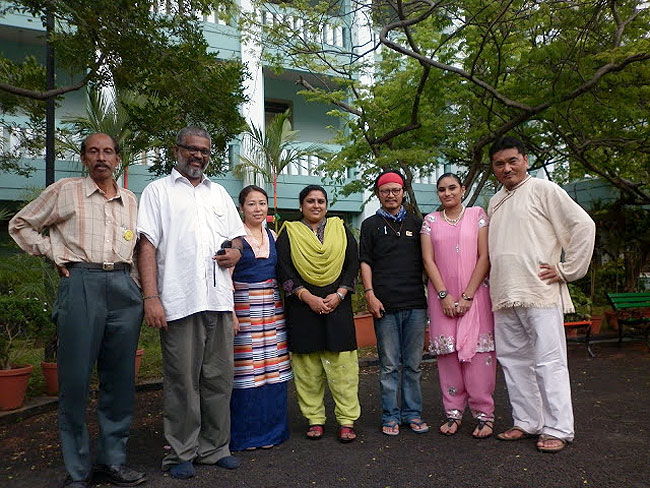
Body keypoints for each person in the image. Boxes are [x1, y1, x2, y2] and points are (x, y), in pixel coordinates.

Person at [9, 133, 146, 488]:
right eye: (93, 152)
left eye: (108, 152)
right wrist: (52, 252)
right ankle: (77, 471)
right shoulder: (65, 191)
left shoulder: (131, 200)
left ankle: (112, 463)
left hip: (122, 287)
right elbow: (20, 224)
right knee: (75, 381)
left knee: (119, 382)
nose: (101, 157)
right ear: (84, 158)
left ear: (118, 158)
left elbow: (134, 247)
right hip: (81, 282)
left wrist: (135, 286)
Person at [136, 126, 245, 479]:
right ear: (176, 150)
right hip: (179, 301)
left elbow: (237, 240)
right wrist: (151, 297)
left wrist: (235, 253)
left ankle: (214, 448)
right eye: (191, 149)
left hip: (218, 298)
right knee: (183, 380)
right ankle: (180, 452)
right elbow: (147, 246)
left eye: (204, 151)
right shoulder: (157, 191)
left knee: (218, 379)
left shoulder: (220, 194)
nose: (198, 156)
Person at [488, 135, 595, 453]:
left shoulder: (544, 189)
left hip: (539, 291)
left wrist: (567, 270)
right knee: (512, 361)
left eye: (512, 161)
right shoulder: (495, 201)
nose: (507, 168)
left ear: (525, 160)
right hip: (504, 292)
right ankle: (527, 421)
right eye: (499, 164)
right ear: (493, 168)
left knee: (549, 362)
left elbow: (583, 225)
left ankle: (558, 428)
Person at [275, 184, 360, 443]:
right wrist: (307, 297)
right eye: (310, 201)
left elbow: (352, 262)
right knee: (307, 368)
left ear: (326, 205)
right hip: (303, 308)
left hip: (338, 304)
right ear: (301, 206)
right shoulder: (289, 233)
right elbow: (283, 269)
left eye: (321, 201)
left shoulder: (340, 229)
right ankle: (315, 419)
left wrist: (341, 294)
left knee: (343, 367)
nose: (316, 205)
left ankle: (346, 421)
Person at [420, 173, 496, 438]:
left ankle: (484, 415)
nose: (447, 193)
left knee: (478, 356)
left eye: (452, 188)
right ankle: (453, 413)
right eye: (441, 189)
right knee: (448, 356)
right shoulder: (430, 221)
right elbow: (428, 261)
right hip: (442, 299)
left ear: (463, 189)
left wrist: (467, 296)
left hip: (475, 298)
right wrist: (444, 296)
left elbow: (485, 256)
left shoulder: (478, 215)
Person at [359, 170, 429, 436]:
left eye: (395, 190)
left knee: (412, 364)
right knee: (388, 366)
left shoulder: (416, 223)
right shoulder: (370, 225)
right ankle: (390, 415)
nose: (391, 195)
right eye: (385, 190)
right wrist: (369, 294)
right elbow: (365, 261)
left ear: (403, 193)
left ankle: (413, 414)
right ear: (379, 193)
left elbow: (427, 261)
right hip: (384, 305)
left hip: (414, 303)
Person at [229, 185, 292, 451]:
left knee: (272, 369)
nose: (258, 209)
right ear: (241, 208)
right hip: (243, 307)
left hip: (272, 308)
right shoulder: (235, 237)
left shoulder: (273, 235)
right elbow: (225, 278)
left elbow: (282, 273)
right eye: (252, 204)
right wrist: (230, 313)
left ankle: (272, 433)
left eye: (262, 203)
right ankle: (245, 436)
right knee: (246, 371)